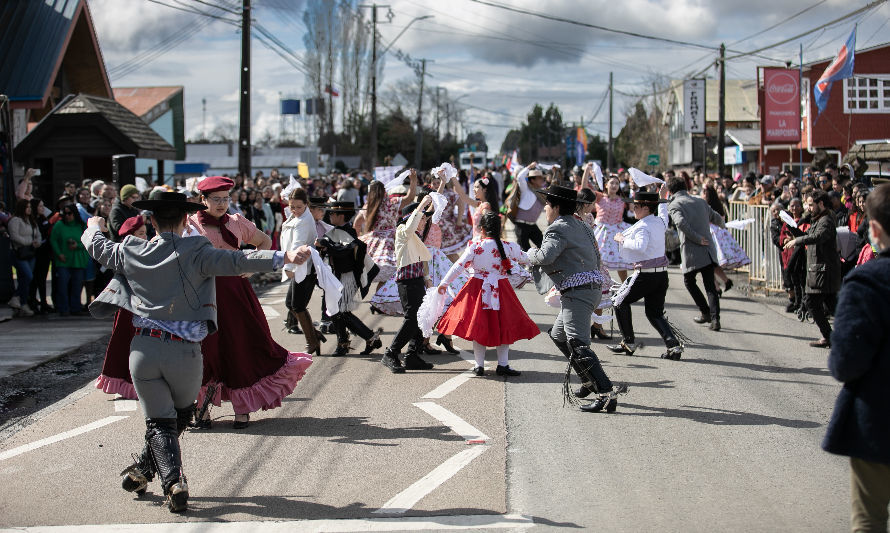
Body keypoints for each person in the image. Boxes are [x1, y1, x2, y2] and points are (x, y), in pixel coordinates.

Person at [81, 191, 310, 513]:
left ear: (152, 221)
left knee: (159, 422)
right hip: (185, 353)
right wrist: (284, 257)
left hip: (144, 350)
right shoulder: (197, 250)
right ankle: (169, 479)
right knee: (176, 417)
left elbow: (98, 246)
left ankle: (156, 475)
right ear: (183, 220)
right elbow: (238, 261)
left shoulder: (131, 250)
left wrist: (92, 224)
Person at [187, 176, 312, 429]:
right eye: (216, 199)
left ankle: (242, 409)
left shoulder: (236, 222)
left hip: (235, 294)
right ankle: (202, 409)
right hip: (203, 295)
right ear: (203, 200)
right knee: (204, 351)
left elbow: (265, 242)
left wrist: (252, 268)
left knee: (240, 347)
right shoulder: (190, 225)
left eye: (225, 199)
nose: (222, 204)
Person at [822, 182, 890, 533]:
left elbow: (845, 362)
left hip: (878, 419)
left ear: (874, 229)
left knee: (870, 521)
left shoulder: (866, 282)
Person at [526, 185, 627, 413]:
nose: (545, 208)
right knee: (558, 335)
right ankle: (588, 380)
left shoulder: (557, 229)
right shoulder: (582, 224)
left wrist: (527, 254)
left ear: (557, 207)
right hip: (588, 289)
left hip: (578, 292)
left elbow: (545, 256)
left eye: (548, 204)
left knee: (579, 344)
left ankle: (606, 393)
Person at [437, 211, 536, 376]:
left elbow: (458, 266)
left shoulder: (475, 246)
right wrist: (538, 253)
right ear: (499, 229)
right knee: (503, 325)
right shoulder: (509, 246)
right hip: (501, 289)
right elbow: (526, 258)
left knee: (478, 326)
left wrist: (444, 283)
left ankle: (479, 365)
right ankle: (502, 365)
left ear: (481, 229)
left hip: (477, 288)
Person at [607, 189, 685, 361]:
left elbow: (640, 246)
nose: (633, 209)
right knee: (654, 313)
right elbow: (664, 214)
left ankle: (628, 341)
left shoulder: (643, 226)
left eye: (636, 206)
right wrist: (662, 198)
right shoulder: (658, 222)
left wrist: (621, 239)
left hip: (645, 275)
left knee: (619, 302)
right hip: (661, 275)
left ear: (646, 208)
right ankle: (673, 345)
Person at [316, 201, 383, 357]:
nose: (329, 215)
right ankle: (349, 342)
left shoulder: (348, 232)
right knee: (335, 312)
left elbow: (343, 251)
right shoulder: (336, 231)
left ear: (341, 215)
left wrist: (327, 246)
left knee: (341, 312)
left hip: (347, 278)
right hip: (337, 276)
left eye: (332, 213)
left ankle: (364, 339)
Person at [379, 196, 438, 373]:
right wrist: (421, 205)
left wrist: (427, 278)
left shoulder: (416, 236)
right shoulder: (403, 231)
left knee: (421, 316)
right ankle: (391, 353)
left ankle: (412, 355)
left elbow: (422, 259)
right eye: (421, 219)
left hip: (417, 280)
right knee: (412, 317)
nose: (423, 222)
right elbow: (412, 223)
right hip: (406, 281)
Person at [95, 216, 148, 399]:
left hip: (144, 306)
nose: (145, 237)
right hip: (128, 307)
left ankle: (143, 382)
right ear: (130, 236)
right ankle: (125, 383)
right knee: (125, 342)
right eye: (140, 234)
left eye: (145, 233)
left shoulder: (149, 251)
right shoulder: (125, 252)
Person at [666, 176, 725, 331]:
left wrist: (697, 238)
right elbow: (716, 217)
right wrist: (723, 225)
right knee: (710, 286)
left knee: (689, 281)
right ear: (686, 186)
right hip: (708, 250)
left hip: (692, 250)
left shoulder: (674, 204)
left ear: (671, 190)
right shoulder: (700, 201)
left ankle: (705, 311)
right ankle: (715, 319)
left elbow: (680, 223)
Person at [783, 190, 841, 348]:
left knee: (812, 303)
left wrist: (797, 241)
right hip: (819, 270)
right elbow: (806, 234)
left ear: (821, 204)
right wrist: (792, 227)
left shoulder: (827, 220)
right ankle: (841, 336)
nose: (808, 208)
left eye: (810, 204)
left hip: (824, 271)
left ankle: (832, 336)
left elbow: (817, 237)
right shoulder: (818, 219)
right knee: (832, 306)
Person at [280, 185, 325, 356]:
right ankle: (315, 335)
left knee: (298, 305)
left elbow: (297, 244)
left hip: (304, 267)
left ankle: (312, 341)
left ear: (306, 205)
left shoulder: (305, 220)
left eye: (299, 206)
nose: (295, 210)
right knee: (291, 304)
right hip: (298, 266)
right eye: (292, 206)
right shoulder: (294, 217)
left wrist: (289, 266)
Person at [356, 174, 417, 283]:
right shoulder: (391, 202)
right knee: (390, 276)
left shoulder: (367, 206)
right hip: (390, 239)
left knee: (373, 269)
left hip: (373, 239)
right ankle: (382, 298)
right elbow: (410, 198)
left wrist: (356, 240)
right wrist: (413, 180)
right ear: (384, 191)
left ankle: (380, 297)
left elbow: (357, 223)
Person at [50, 204, 89, 316]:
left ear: (74, 214)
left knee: (77, 286)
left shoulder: (81, 226)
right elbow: (53, 240)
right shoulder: (59, 225)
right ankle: (63, 308)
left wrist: (78, 246)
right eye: (65, 214)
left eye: (69, 213)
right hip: (63, 260)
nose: (67, 216)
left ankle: (75, 307)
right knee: (62, 285)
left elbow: (88, 241)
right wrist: (59, 254)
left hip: (78, 260)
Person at [7, 199, 41, 316]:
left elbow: (38, 235)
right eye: (27, 207)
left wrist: (37, 242)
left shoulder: (31, 221)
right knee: (28, 275)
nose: (29, 209)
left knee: (25, 279)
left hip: (30, 253)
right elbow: (14, 236)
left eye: (30, 207)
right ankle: (17, 297)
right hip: (19, 252)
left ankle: (22, 303)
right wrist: (29, 242)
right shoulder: (15, 220)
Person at [513, 162, 548, 251]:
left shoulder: (542, 193)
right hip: (521, 225)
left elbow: (554, 185)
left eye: (542, 178)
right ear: (532, 180)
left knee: (544, 246)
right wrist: (529, 167)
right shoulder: (526, 190)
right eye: (539, 178)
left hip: (532, 225)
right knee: (525, 251)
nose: (542, 180)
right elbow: (520, 177)